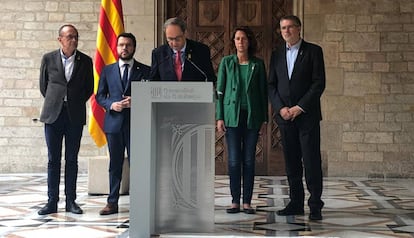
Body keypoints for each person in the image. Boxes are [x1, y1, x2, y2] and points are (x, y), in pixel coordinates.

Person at [268, 15, 326, 221]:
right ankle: (295, 203)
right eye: (283, 28)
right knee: (292, 163)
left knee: (311, 162)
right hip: (285, 118)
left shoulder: (313, 51)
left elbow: (318, 83)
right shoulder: (276, 55)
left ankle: (315, 205)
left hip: (306, 116)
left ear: (299, 28)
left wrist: (299, 107)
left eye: (290, 27)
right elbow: (271, 85)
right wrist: (281, 108)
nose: (286, 31)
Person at [38, 24, 94, 215]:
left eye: (76, 37)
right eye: (69, 36)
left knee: (72, 159)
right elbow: (44, 86)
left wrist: (73, 102)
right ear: (60, 39)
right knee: (53, 160)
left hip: (74, 116)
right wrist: (58, 101)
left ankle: (71, 201)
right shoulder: (48, 58)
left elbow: (89, 88)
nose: (74, 40)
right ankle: (52, 201)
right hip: (53, 115)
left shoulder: (85, 61)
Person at [96, 32, 150, 215]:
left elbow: (152, 95)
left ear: (134, 47)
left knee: (139, 164)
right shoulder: (107, 70)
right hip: (114, 124)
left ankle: (140, 202)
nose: (124, 48)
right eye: (121, 45)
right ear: (116, 47)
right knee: (115, 164)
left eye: (128, 45)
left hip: (137, 124)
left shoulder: (146, 70)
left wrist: (138, 100)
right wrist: (112, 104)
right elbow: (100, 96)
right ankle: (112, 202)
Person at [216, 26, 268, 214]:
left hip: (252, 118)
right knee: (234, 161)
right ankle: (234, 201)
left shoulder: (258, 64)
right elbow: (219, 92)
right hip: (232, 117)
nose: (240, 42)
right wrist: (219, 116)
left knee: (248, 160)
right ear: (233, 42)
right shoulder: (226, 62)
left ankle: (247, 202)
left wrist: (264, 119)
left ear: (249, 41)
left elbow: (263, 94)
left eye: (244, 38)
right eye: (237, 39)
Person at [149, 17, 216, 82]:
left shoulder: (201, 51)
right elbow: (153, 81)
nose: (174, 43)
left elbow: (210, 77)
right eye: (170, 39)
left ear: (185, 33)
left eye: (177, 39)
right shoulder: (158, 54)